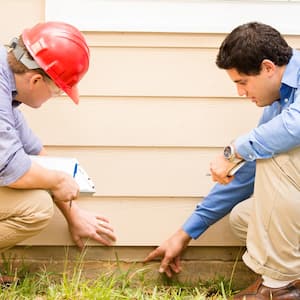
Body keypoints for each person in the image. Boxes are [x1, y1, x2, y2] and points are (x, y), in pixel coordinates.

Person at [145, 22, 300, 299]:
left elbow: (293, 128)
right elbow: (246, 173)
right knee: (244, 218)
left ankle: (279, 289)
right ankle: (291, 282)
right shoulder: (279, 100)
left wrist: (234, 149)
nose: (241, 92)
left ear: (267, 68)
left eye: (242, 82)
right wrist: (186, 232)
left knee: (272, 152)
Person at [0, 21, 116, 285]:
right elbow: (11, 168)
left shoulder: (7, 87)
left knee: (38, 198)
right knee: (37, 208)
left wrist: (73, 214)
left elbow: (38, 156)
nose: (55, 97)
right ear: (36, 79)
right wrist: (59, 182)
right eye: (56, 91)